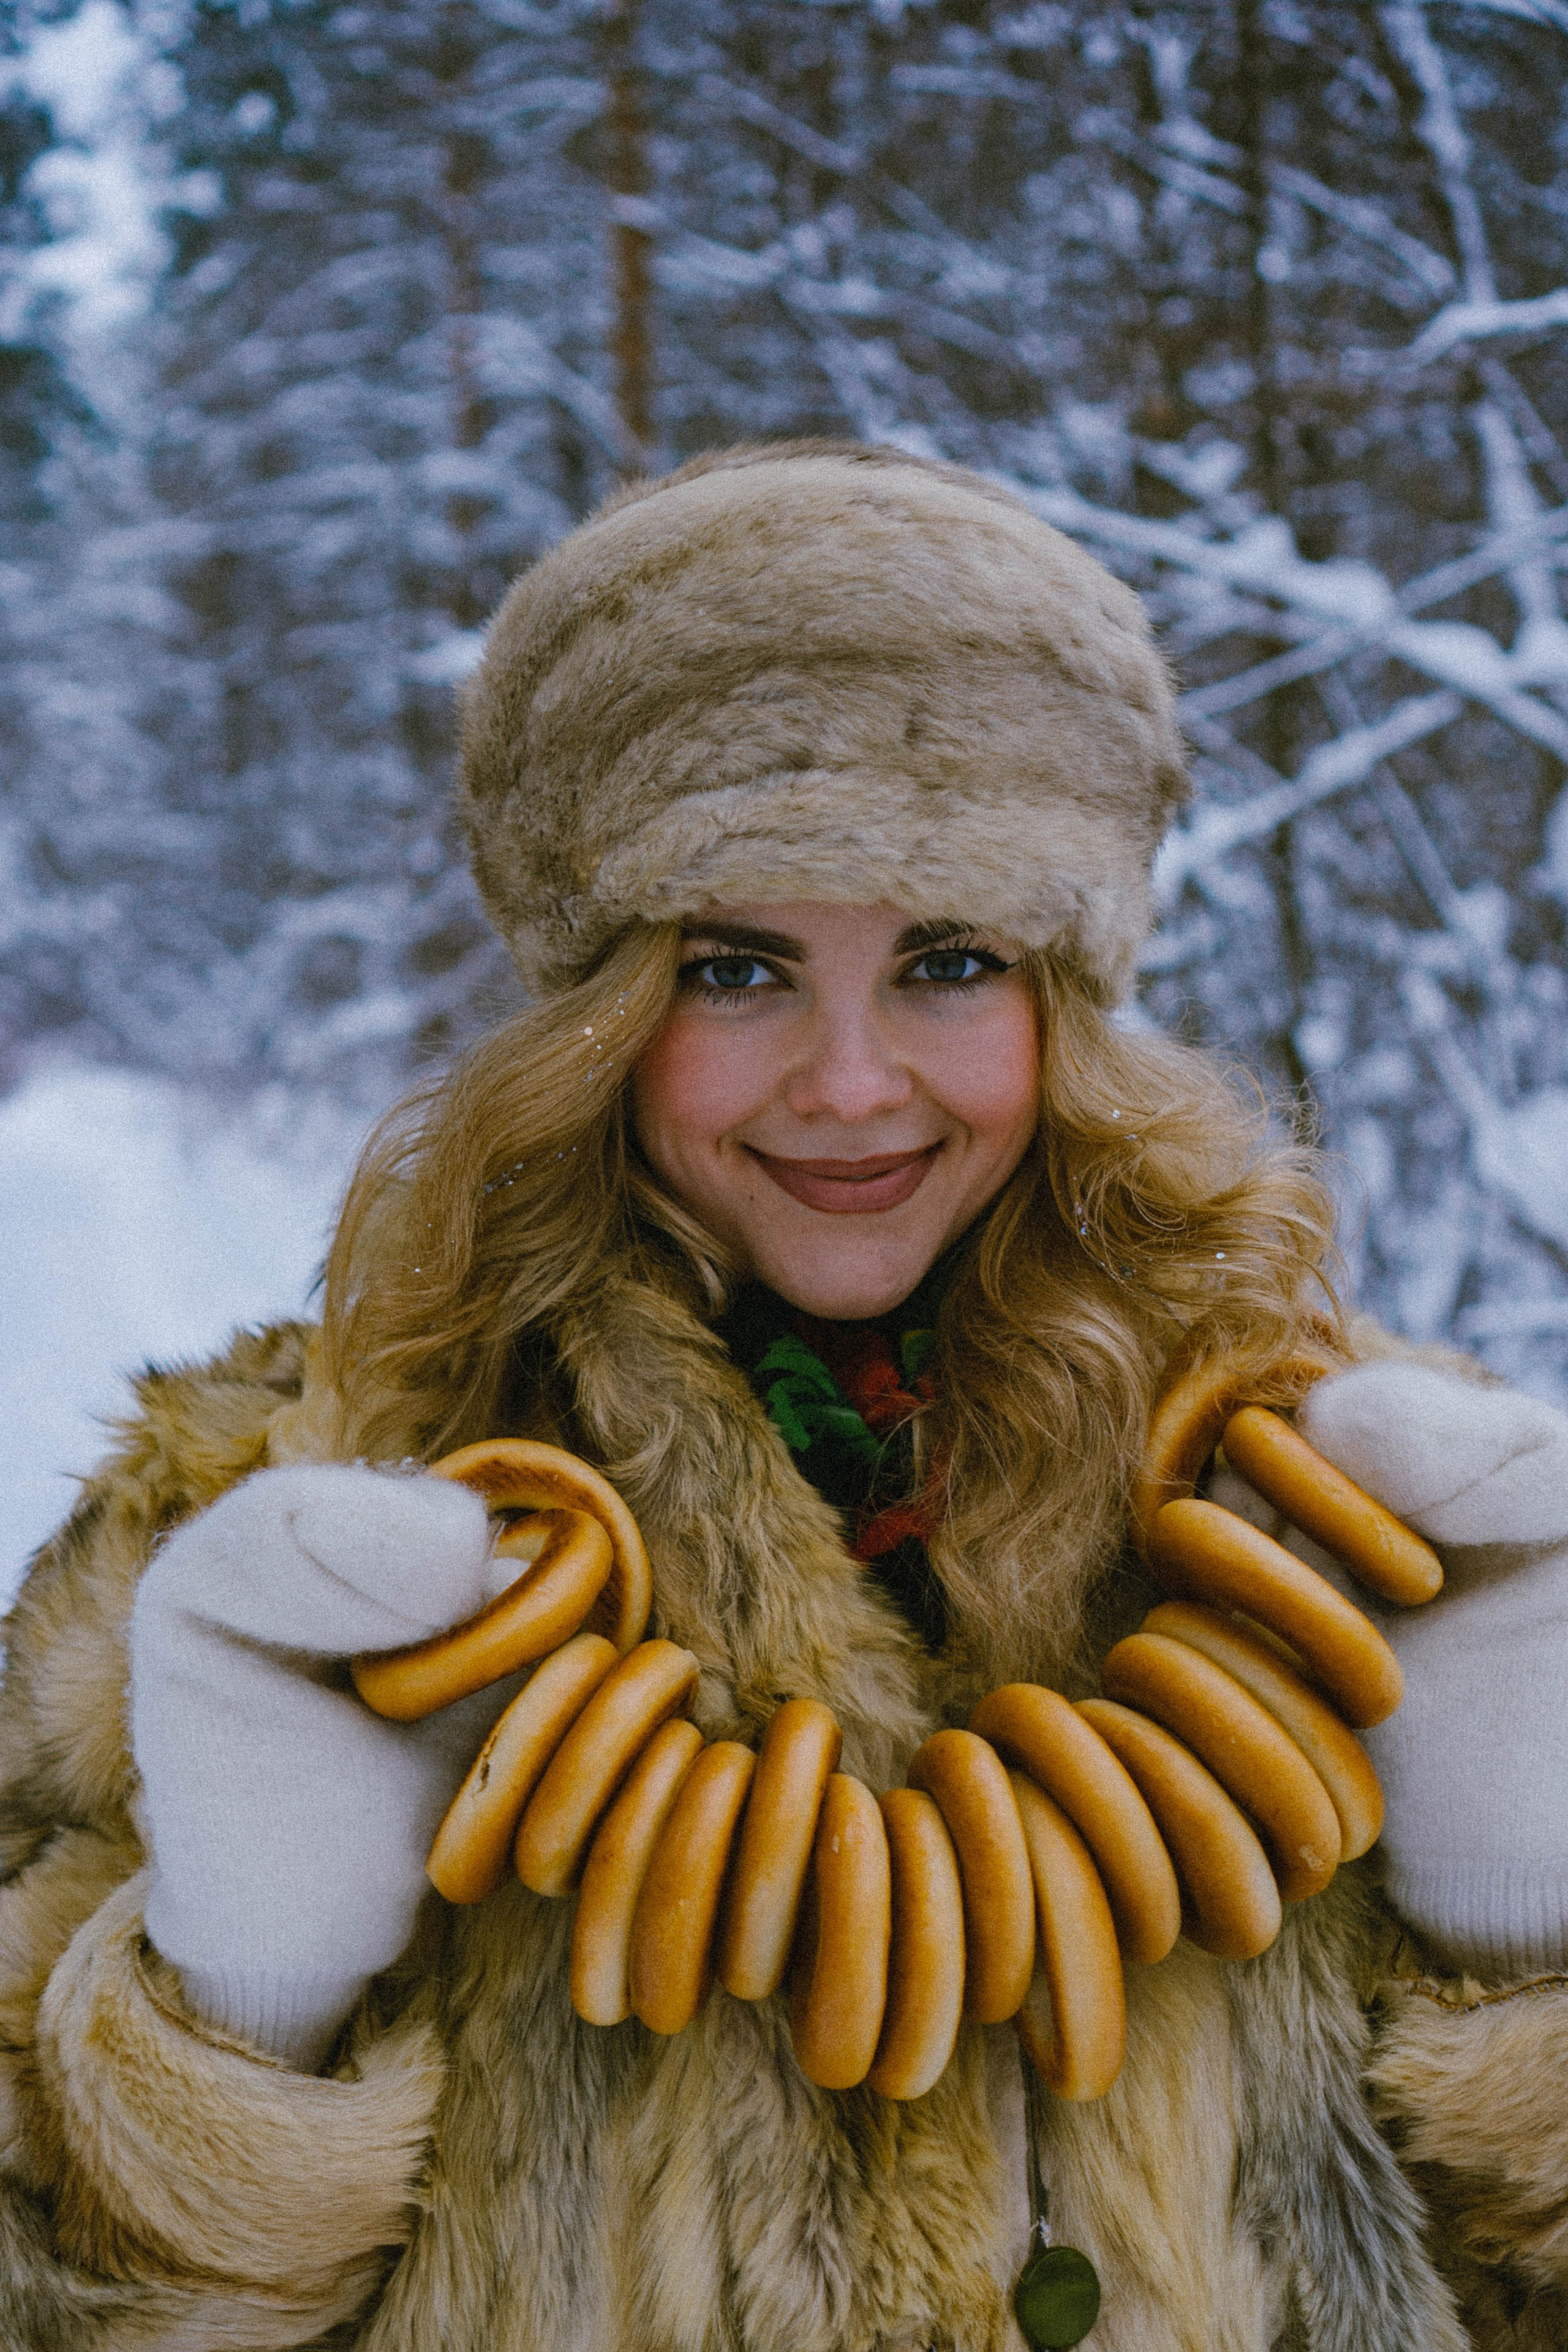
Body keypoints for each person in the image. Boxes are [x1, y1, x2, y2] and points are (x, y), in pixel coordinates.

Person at [2, 441, 1565, 2352]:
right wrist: (241, 2008)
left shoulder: (1375, 1518)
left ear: (1066, 999)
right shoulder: (269, 1534)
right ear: (596, 1005)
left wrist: (1519, 1926)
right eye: (736, 967)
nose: (846, 1082)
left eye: (948, 961)